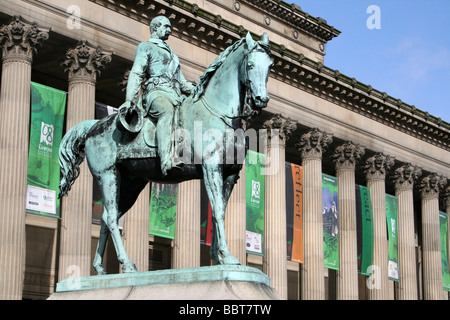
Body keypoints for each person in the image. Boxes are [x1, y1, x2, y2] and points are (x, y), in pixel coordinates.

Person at [122, 16, 195, 175]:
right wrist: (129, 100)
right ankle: (166, 161)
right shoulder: (145, 47)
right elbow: (136, 73)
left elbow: (182, 83)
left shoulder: (173, 56)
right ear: (155, 28)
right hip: (156, 93)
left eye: (170, 27)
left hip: (175, 95)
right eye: (166, 27)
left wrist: (199, 89)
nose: (169, 30)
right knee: (166, 111)